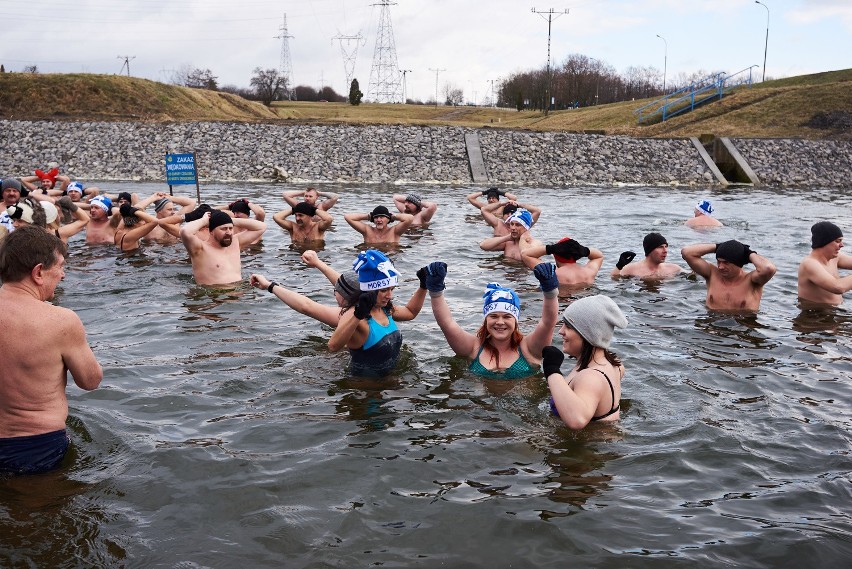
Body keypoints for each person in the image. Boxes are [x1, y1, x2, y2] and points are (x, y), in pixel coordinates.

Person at [0, 226, 103, 475]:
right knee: (44, 511)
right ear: (38, 272)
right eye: (60, 266)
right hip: (36, 445)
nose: (63, 275)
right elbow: (90, 381)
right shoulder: (61, 321)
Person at [421, 260, 560, 379]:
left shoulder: (529, 348)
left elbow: (547, 323)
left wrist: (550, 292)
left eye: (507, 317)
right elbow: (447, 324)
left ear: (516, 320)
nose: (500, 322)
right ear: (486, 319)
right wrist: (436, 292)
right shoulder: (473, 347)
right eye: (493, 316)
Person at [328, 250, 426, 376]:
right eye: (384, 290)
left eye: (392, 289)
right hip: (366, 388)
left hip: (388, 384)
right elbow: (333, 346)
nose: (390, 296)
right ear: (370, 290)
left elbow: (410, 312)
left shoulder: (384, 308)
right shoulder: (354, 313)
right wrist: (357, 316)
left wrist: (423, 286)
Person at [541, 295, 628, 429]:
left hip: (588, 447)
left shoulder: (591, 377)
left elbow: (577, 420)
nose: (561, 331)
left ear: (589, 334)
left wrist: (552, 370)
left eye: (568, 326)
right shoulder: (613, 364)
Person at [681, 239, 776, 311]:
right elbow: (687, 252)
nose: (720, 267)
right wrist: (718, 247)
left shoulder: (752, 281)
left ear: (738, 263)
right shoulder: (711, 274)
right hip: (712, 327)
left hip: (742, 328)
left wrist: (749, 253)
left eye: (726, 263)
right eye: (719, 262)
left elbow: (768, 268)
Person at [180, 209, 266, 286]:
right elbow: (185, 231)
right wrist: (204, 221)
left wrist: (229, 220)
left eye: (231, 228)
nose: (229, 232)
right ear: (211, 231)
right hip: (213, 298)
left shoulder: (235, 242)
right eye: (224, 229)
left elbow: (261, 227)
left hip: (237, 297)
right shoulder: (200, 249)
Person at [797, 221, 852, 306]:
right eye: (838, 241)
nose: (841, 245)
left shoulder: (835, 258)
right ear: (824, 242)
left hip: (836, 310)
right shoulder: (809, 264)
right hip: (815, 315)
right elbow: (838, 287)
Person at [522, 237, 604, 287]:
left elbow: (525, 254)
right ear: (578, 254)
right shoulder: (589, 272)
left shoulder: (550, 274)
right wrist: (583, 250)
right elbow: (599, 256)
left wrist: (551, 248)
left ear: (555, 255)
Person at [611, 232, 684, 279]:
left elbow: (692, 275)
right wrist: (619, 266)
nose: (665, 251)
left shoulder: (673, 268)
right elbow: (613, 279)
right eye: (660, 247)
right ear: (650, 250)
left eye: (666, 247)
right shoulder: (631, 269)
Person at [344, 206, 414, 244]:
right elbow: (348, 217)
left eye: (382, 217)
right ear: (373, 219)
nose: (378, 220)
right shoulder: (367, 231)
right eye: (376, 217)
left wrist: (392, 217)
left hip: (389, 259)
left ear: (388, 219)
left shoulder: (394, 231)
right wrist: (369, 216)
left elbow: (410, 218)